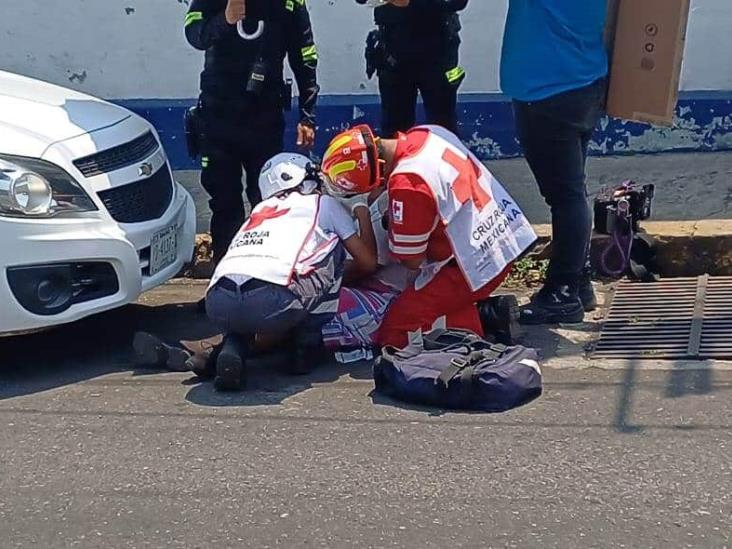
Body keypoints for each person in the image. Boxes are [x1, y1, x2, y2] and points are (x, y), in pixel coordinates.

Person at [322, 124, 536, 349]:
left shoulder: (408, 183)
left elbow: (411, 259)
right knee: (416, 298)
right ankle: (486, 312)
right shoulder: (428, 132)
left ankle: (481, 322)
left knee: (396, 334)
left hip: (470, 265)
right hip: (502, 238)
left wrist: (372, 213)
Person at [202, 153, 377, 391]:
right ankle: (305, 344)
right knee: (332, 250)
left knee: (277, 281)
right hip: (270, 302)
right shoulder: (324, 204)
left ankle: (235, 343)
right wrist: (361, 208)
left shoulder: (260, 210)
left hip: (217, 302)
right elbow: (367, 263)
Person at [185, 0, 320, 266]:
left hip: (264, 119)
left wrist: (308, 114)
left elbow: (304, 56)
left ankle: (267, 276)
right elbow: (195, 34)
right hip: (217, 119)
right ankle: (223, 281)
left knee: (268, 201)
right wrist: (225, 18)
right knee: (225, 204)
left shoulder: (289, 4)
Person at [500, 0, 608, 324]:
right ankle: (577, 280)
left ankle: (562, 293)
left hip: (548, 89)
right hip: (580, 80)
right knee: (572, 189)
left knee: (565, 196)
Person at [360, 0, 469, 137]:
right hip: (393, 56)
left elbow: (457, 2)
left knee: (443, 128)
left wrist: (412, 2)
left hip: (437, 55)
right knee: (395, 131)